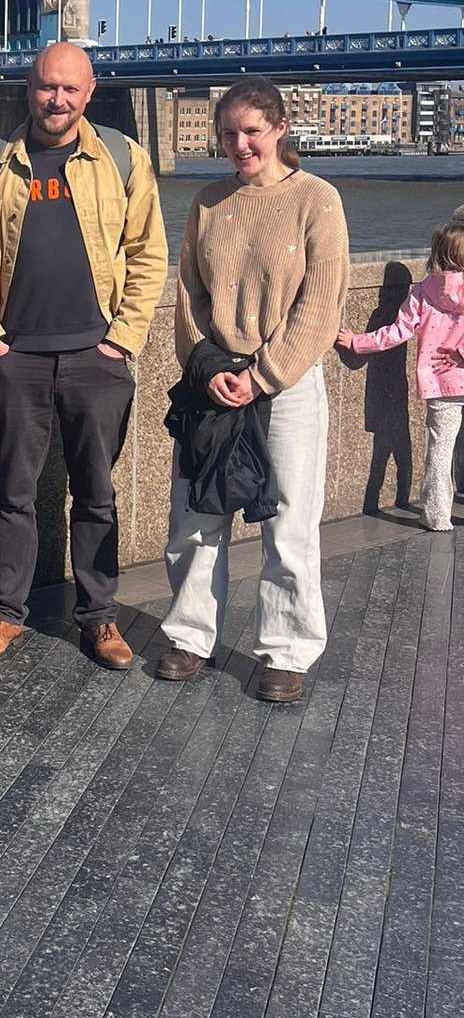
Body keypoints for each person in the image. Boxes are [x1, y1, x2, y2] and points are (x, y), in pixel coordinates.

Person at [0, 41, 168, 671]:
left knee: (96, 493)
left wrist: (122, 338)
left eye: (71, 88)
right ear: (28, 88)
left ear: (89, 93)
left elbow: (149, 253)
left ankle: (100, 618)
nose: (57, 99)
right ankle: (5, 613)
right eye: (47, 86)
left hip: (97, 357)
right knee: (12, 492)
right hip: (17, 356)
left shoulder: (123, 158)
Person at [156, 79, 350, 702]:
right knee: (195, 515)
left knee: (289, 521)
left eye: (251, 132)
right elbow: (188, 294)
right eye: (227, 134)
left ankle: (287, 651)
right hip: (215, 381)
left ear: (280, 128)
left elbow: (321, 305)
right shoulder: (208, 202)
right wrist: (208, 366)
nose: (239, 145)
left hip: (286, 386)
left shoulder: (317, 199)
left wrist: (263, 374)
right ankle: (189, 636)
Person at [337, 215, 464, 532]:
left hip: (441, 383)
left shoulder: (423, 292)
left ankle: (437, 515)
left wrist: (356, 342)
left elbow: (396, 333)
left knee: (440, 449)